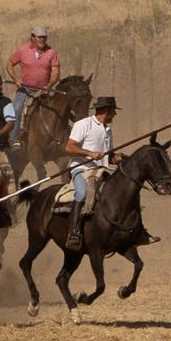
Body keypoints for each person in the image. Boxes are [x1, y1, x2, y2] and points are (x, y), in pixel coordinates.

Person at [63, 94, 119, 250]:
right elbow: (69, 147)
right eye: (113, 111)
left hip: (102, 170)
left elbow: (109, 155)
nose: (115, 115)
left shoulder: (108, 130)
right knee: (82, 194)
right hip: (81, 168)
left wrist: (117, 158)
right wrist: (90, 153)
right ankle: (74, 232)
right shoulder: (83, 124)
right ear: (106, 111)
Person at [5, 26, 60, 124]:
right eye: (39, 37)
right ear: (33, 37)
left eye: (44, 37)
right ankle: (14, 137)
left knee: (58, 108)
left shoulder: (51, 52)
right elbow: (9, 64)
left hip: (44, 89)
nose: (42, 40)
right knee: (16, 109)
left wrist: (49, 85)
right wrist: (16, 79)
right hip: (25, 88)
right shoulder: (23, 50)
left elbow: (56, 72)